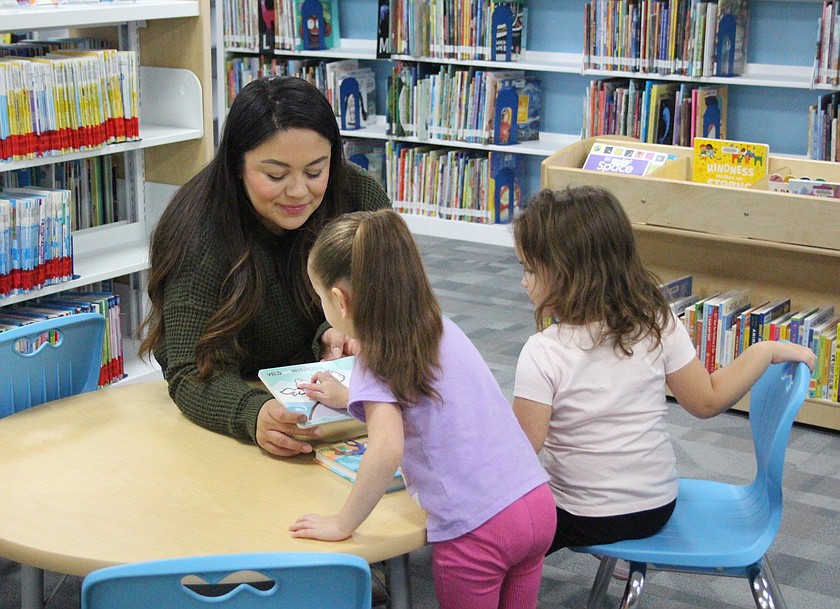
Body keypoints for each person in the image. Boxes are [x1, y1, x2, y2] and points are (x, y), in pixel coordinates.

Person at [511, 186, 817, 557]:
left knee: (491, 527)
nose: (523, 281)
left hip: (580, 516)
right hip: (656, 508)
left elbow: (522, 451)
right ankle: (623, 556)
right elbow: (706, 401)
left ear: (566, 273)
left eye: (529, 269)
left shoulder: (542, 352)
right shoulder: (657, 321)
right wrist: (764, 350)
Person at [289, 209, 556, 609]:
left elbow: (386, 449)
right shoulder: (442, 327)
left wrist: (343, 523)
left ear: (340, 301)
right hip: (536, 503)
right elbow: (431, 393)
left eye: (319, 295)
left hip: (477, 529)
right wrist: (351, 397)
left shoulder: (375, 359)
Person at [138, 76, 390, 457]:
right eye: (275, 175)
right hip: (245, 401)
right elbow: (188, 370)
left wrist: (342, 329)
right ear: (237, 165)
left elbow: (396, 301)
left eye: (315, 171)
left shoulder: (356, 196)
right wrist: (250, 414)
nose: (298, 191)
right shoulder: (199, 233)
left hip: (343, 409)